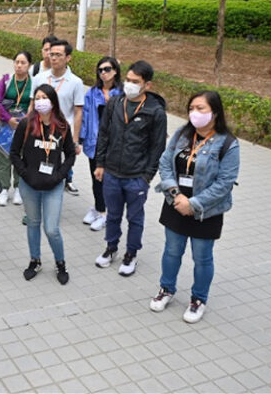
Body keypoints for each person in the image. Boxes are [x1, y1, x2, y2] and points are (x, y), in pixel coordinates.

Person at [150, 91, 240, 323]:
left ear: (215, 112)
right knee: (171, 250)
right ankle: (166, 289)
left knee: (202, 257)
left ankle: (198, 298)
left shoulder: (228, 144)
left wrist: (194, 204)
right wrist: (176, 195)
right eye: (191, 108)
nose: (194, 113)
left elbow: (224, 183)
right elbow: (165, 163)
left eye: (200, 108)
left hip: (206, 211)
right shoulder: (182, 134)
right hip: (175, 203)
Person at [93, 60, 167, 276]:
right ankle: (111, 248)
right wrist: (100, 163)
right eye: (128, 80)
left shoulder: (155, 112)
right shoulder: (115, 103)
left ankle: (131, 253)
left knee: (135, 218)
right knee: (113, 215)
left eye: (136, 82)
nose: (130, 85)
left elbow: (157, 147)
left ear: (147, 85)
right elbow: (104, 134)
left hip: (136, 177)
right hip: (112, 173)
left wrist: (147, 177)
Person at [10, 84, 75, 285]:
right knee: (33, 223)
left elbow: (71, 154)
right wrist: (24, 173)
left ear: (53, 101)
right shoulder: (26, 124)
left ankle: (60, 262)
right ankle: (35, 260)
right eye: (37, 97)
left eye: (44, 97)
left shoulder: (62, 125)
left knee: (52, 228)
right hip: (29, 185)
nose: (40, 101)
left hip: (52, 186)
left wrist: (60, 176)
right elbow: (13, 153)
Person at [31, 39, 83, 196]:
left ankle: (53, 201)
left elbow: (78, 112)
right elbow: (32, 105)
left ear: (68, 58)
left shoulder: (76, 82)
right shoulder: (39, 78)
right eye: (51, 54)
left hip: (61, 134)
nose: (53, 58)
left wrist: (75, 140)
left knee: (56, 170)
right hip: (39, 130)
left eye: (58, 55)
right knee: (35, 165)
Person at [79, 57, 123, 231]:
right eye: (100, 70)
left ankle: (107, 215)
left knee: (109, 181)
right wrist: (81, 139)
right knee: (96, 179)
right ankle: (99, 209)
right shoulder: (92, 93)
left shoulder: (122, 93)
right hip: (95, 143)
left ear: (116, 70)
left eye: (107, 69)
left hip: (115, 145)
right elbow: (85, 117)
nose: (103, 73)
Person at [0, 51, 32, 206]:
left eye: (23, 63)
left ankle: (18, 188)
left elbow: (34, 102)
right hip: (5, 125)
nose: (19, 65)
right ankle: (3, 189)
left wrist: (25, 121)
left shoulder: (33, 82)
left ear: (29, 65)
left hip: (24, 125)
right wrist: (8, 119)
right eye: (17, 62)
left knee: (21, 157)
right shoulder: (6, 80)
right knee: (3, 158)